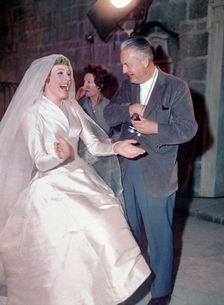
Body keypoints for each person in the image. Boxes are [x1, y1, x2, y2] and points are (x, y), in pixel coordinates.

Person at [0, 54, 151, 305]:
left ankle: (101, 291)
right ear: (46, 78)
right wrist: (63, 155)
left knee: (106, 221)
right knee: (64, 251)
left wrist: (117, 148)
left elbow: (93, 145)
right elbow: (40, 161)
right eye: (60, 73)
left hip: (80, 177)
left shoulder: (72, 107)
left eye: (69, 73)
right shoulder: (32, 113)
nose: (67, 78)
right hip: (49, 185)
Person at [104, 36, 198, 305]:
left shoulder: (175, 87)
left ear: (145, 61)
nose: (124, 70)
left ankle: (161, 293)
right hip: (128, 170)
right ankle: (131, 287)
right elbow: (109, 114)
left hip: (157, 172)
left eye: (127, 65)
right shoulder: (127, 87)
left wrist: (157, 128)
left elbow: (188, 128)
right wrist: (129, 108)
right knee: (128, 233)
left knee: (159, 237)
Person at [76, 63, 113, 137]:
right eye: (84, 82)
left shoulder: (110, 106)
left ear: (99, 85)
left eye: (89, 82)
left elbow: (118, 131)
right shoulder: (79, 104)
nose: (84, 86)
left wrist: (112, 140)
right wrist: (76, 99)